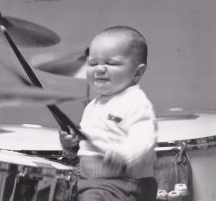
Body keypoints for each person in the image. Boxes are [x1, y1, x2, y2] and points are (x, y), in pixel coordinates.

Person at [59, 26, 158, 201]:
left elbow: (144, 140)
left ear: (137, 73)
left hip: (124, 184)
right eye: (93, 63)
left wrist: (123, 156)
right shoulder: (93, 106)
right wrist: (71, 145)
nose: (99, 69)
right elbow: (87, 148)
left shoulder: (135, 101)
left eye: (111, 63)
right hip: (91, 183)